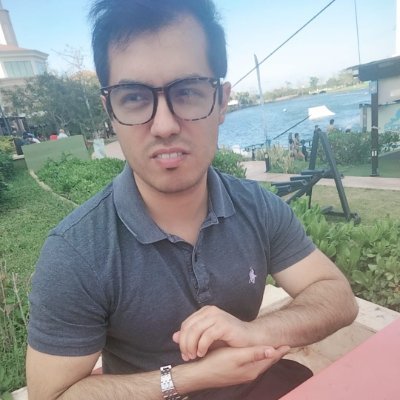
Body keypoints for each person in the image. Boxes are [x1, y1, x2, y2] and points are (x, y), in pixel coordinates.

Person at [26, 1, 358, 399]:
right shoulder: (78, 252)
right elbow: (51, 394)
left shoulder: (256, 206)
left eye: (186, 92)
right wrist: (192, 377)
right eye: (134, 97)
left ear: (221, 101)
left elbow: (337, 296)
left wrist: (255, 332)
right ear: (110, 110)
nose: (164, 125)